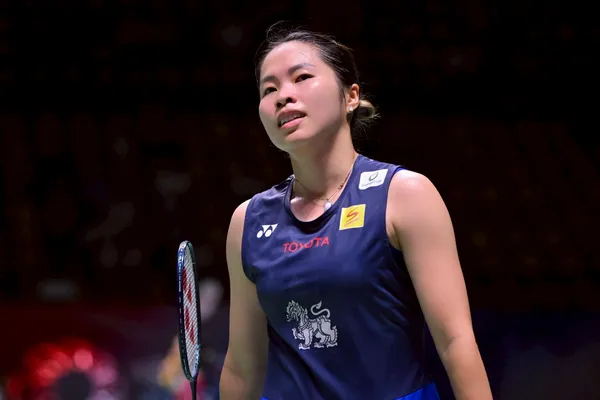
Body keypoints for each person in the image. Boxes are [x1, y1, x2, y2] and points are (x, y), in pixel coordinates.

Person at [219, 24, 492, 400]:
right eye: (269, 89)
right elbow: (242, 366)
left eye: (302, 77)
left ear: (350, 97)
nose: (284, 96)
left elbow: (456, 342)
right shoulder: (249, 221)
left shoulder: (404, 195)